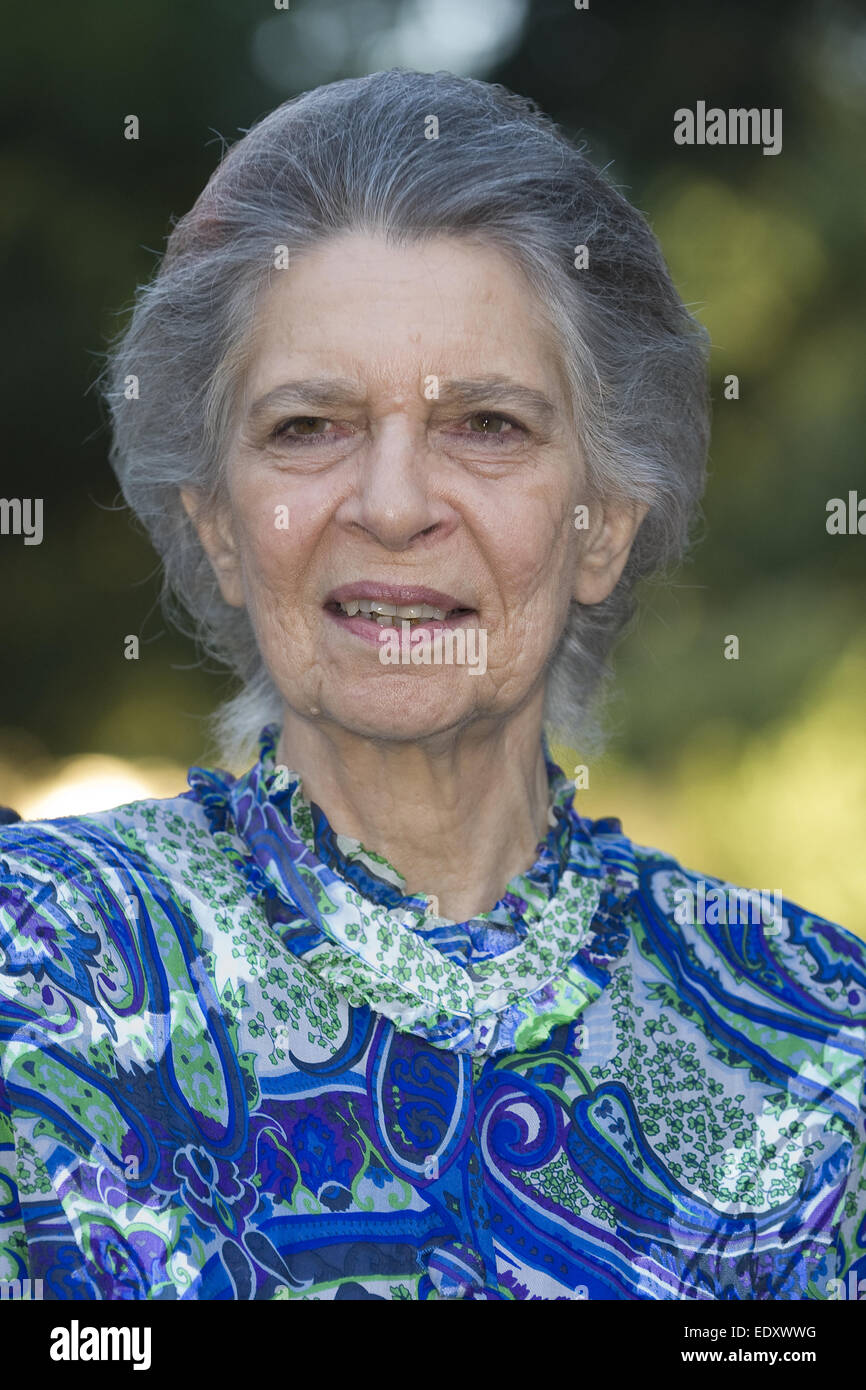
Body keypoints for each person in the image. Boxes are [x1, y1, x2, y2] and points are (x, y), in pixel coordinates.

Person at [0, 68, 863, 1302]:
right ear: (221, 528)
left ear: (604, 521)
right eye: (308, 424)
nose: (394, 504)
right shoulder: (37, 970)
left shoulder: (817, 1048)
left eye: (487, 426)